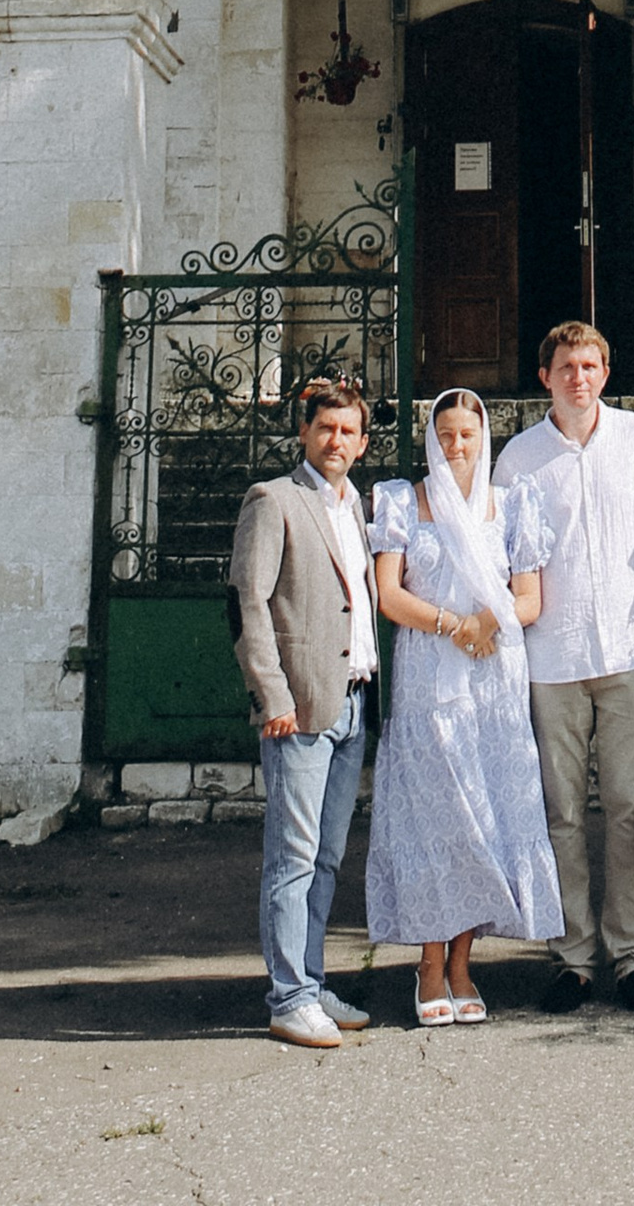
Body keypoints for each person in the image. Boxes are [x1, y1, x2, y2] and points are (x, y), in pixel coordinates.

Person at [367, 388, 564, 1024]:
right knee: (438, 818)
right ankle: (429, 965)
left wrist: (487, 622)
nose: (457, 445)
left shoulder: (511, 505)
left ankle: (462, 964)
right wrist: (454, 624)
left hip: (493, 677)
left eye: (467, 435)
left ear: (484, 439)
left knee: (486, 817)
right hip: (429, 677)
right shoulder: (404, 501)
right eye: (446, 434)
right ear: (432, 438)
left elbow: (528, 599)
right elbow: (389, 595)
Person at [494, 318, 634, 1011]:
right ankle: (573, 959)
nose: (579, 378)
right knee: (562, 812)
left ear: (606, 373)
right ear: (546, 377)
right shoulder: (519, 458)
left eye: (590, 366)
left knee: (630, 806)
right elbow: (503, 550)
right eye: (566, 366)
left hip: (630, 648)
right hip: (552, 656)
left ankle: (632, 957)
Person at [229, 374, 380, 1048]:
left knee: (326, 857)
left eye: (348, 431)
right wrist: (273, 697)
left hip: (354, 701)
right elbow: (248, 602)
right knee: (292, 857)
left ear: (363, 443)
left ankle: (313, 985)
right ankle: (288, 998)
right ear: (304, 432)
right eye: (325, 428)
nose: (335, 441)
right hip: (300, 708)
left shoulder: (355, 507)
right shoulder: (275, 500)